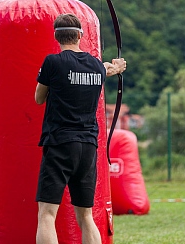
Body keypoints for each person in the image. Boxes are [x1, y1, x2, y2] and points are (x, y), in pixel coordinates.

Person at [34, 13, 126, 244]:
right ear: (80, 35)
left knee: (46, 214)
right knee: (86, 215)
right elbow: (104, 69)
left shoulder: (53, 62)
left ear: (57, 37)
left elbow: (38, 98)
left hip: (60, 143)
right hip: (88, 146)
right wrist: (116, 67)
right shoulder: (96, 66)